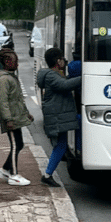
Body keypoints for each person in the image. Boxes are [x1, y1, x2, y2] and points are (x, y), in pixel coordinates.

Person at [37, 48, 81, 187]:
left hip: (58, 115)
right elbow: (65, 85)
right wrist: (85, 76)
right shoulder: (51, 76)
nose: (65, 62)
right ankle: (47, 175)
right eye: (63, 59)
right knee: (60, 145)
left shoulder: (54, 74)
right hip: (57, 116)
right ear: (58, 61)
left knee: (60, 145)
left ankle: (48, 174)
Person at [0, 48, 34, 186]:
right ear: (7, 62)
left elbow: (18, 99)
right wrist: (8, 119)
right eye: (15, 62)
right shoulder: (3, 79)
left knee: (19, 144)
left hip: (16, 117)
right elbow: (3, 102)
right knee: (15, 145)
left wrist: (26, 113)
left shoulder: (10, 77)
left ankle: (5, 169)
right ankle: (14, 175)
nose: (17, 65)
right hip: (11, 119)